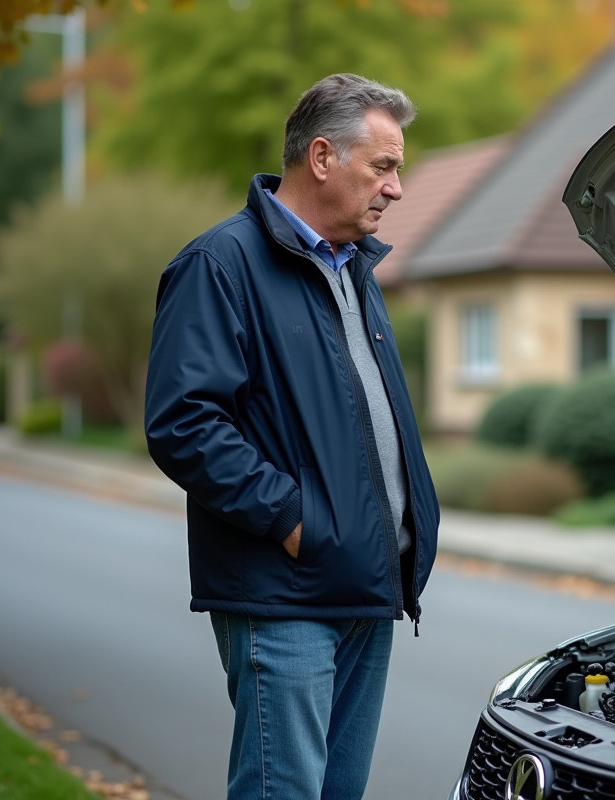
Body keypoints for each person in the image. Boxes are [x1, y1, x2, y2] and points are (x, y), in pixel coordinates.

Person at [144, 73, 438, 800]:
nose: (396, 188)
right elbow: (183, 423)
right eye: (383, 166)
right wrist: (292, 519)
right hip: (287, 595)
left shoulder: (354, 268)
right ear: (322, 157)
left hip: (367, 589)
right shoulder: (220, 264)